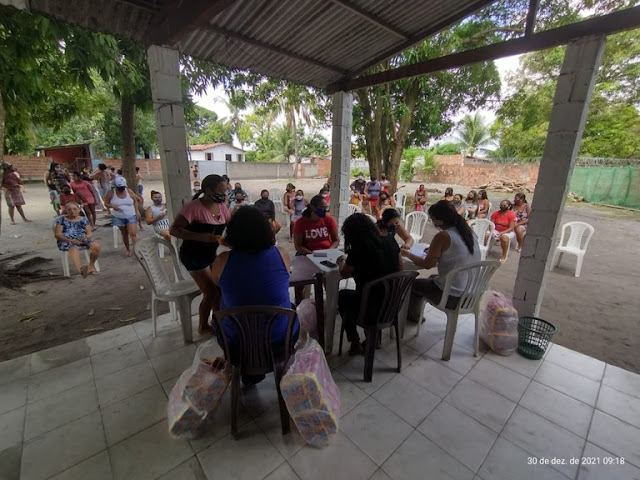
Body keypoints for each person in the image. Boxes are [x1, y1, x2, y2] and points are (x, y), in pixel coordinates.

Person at [211, 206, 299, 384]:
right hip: (279, 343)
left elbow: (216, 284)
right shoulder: (281, 254)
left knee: (221, 312)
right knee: (290, 307)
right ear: (267, 230)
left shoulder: (221, 261)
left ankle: (249, 369)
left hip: (237, 347)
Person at [170, 174, 230, 335]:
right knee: (211, 292)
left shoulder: (222, 207)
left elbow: (230, 228)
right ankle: (203, 327)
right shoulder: (193, 208)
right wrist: (203, 237)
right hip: (193, 256)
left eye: (226, 190)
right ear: (208, 190)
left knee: (220, 289)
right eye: (221, 190)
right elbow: (174, 230)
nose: (224, 193)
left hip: (210, 254)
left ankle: (218, 322)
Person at [402, 200, 481, 323]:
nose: (432, 222)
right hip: (472, 293)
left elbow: (428, 264)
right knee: (433, 278)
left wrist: (407, 254)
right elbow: (456, 253)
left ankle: (414, 317)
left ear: (440, 221)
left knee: (413, 284)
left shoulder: (443, 236)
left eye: (432, 219)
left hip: (454, 297)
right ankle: (415, 314)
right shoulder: (468, 232)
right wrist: (434, 250)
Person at [336, 213, 401, 355]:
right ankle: (374, 337)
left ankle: (354, 341)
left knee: (342, 295)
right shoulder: (391, 241)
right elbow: (400, 270)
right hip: (392, 304)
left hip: (369, 309)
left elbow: (345, 274)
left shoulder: (358, 251)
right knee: (371, 295)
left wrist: (341, 261)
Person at [54, 202, 100, 277]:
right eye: (69, 209)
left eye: (75, 209)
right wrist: (72, 241)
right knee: (73, 248)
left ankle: (91, 267)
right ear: (66, 211)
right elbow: (58, 235)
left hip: (81, 239)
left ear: (79, 210)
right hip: (66, 241)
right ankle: (81, 270)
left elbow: (89, 233)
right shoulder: (61, 219)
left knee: (96, 246)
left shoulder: (84, 219)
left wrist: (85, 238)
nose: (72, 211)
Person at [104, 177, 141, 257]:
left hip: (130, 214)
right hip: (118, 216)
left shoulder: (129, 191)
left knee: (133, 233)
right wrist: (112, 206)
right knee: (124, 233)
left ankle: (137, 250)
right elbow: (106, 203)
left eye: (123, 188)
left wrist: (137, 211)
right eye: (119, 188)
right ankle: (128, 249)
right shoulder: (111, 193)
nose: (121, 189)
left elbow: (136, 200)